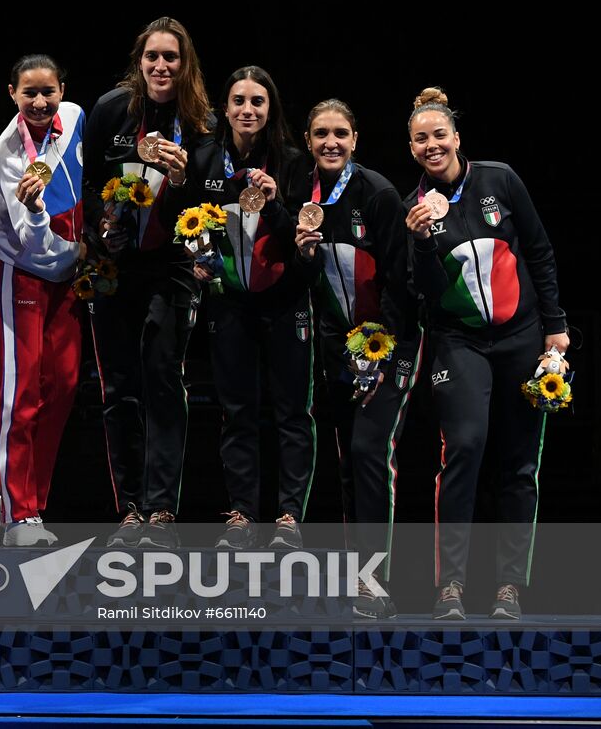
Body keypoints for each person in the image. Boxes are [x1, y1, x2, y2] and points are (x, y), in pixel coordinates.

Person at [403, 87, 567, 621]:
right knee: (466, 446)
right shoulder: (414, 211)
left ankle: (508, 589)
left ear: (456, 138)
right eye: (421, 139)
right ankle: (450, 586)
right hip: (461, 342)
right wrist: (424, 241)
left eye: (439, 135)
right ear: (411, 148)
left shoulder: (500, 179)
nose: (432, 145)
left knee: (519, 463)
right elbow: (425, 291)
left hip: (522, 337)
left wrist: (556, 329)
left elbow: (538, 250)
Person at [82, 16, 208, 549]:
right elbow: (87, 183)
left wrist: (180, 182)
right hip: (114, 268)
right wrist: (99, 229)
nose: (161, 66)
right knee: (119, 389)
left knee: (162, 380)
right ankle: (129, 508)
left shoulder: (202, 123)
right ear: (140, 60)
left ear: (185, 65)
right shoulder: (111, 109)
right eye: (152, 57)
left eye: (171, 58)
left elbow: (208, 205)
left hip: (170, 267)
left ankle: (161, 510)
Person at [293, 99, 420, 617]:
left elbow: (402, 281)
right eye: (321, 133)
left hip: (390, 344)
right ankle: (359, 578)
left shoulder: (379, 194)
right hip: (334, 347)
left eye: (340, 133)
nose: (331, 142)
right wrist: (300, 256)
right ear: (307, 140)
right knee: (347, 460)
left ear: (355, 138)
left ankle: (375, 581)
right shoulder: (304, 195)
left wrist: (381, 350)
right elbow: (301, 283)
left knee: (370, 450)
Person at [185, 66, 312, 551]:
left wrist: (277, 204)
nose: (248, 110)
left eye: (258, 102)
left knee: (290, 412)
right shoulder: (204, 159)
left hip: (285, 303)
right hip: (230, 302)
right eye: (239, 101)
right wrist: (194, 257)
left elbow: (302, 242)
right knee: (236, 411)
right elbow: (189, 224)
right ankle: (241, 514)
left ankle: (288, 515)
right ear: (225, 109)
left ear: (270, 109)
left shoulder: (294, 163)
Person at [0, 55, 86, 547]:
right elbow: (28, 240)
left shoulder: (79, 121)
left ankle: (22, 500)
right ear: (12, 94)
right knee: (20, 393)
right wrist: (37, 209)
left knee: (64, 383)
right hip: (18, 271)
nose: (41, 102)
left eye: (49, 91)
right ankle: (19, 513)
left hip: (69, 274)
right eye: (30, 93)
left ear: (63, 89)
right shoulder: (7, 151)